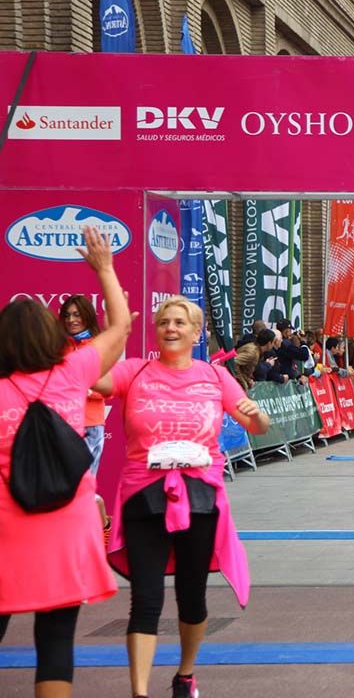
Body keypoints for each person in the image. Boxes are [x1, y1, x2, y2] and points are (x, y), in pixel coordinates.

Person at [95, 296, 269, 698]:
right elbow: (93, 379)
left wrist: (256, 413)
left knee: (192, 596)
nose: (170, 329)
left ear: (196, 332)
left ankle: (185, 675)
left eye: (179, 322)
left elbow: (257, 426)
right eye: (163, 322)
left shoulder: (213, 376)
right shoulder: (134, 370)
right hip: (143, 495)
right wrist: (113, 330)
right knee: (146, 598)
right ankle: (138, 692)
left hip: (199, 497)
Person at [0, 227, 130, 697]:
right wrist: (104, 269)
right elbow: (119, 329)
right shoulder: (72, 374)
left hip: (6, 528)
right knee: (55, 639)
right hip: (64, 527)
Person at [58, 295, 107, 475]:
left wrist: (77, 389)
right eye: (67, 315)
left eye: (77, 315)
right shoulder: (59, 346)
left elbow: (107, 389)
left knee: (84, 485)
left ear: (87, 315)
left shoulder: (99, 345)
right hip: (62, 423)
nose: (71, 320)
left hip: (90, 423)